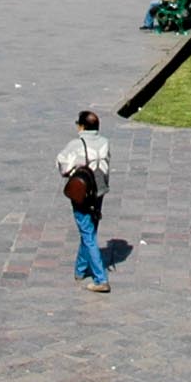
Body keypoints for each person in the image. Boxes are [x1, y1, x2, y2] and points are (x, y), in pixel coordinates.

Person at [58, 112, 112, 293]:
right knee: (89, 230)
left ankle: (100, 279)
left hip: (82, 193)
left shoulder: (75, 145)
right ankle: (80, 270)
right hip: (99, 191)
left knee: (88, 234)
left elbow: (63, 165)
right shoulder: (105, 142)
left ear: (81, 126)